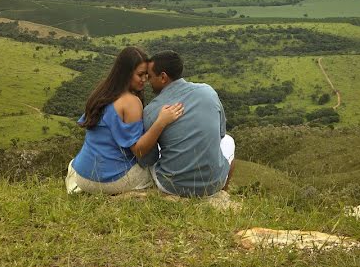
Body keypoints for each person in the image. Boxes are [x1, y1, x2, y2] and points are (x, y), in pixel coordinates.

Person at [65, 46, 184, 195]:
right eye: (140, 74)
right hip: (109, 180)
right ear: (126, 74)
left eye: (147, 75)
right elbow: (139, 150)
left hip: (82, 175)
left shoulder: (101, 93)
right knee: (156, 171)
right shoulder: (131, 102)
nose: (145, 80)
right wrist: (161, 121)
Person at [142, 50, 235, 197]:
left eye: (150, 77)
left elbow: (149, 158)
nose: (148, 81)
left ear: (163, 77)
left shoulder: (151, 110)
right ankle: (222, 193)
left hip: (171, 186)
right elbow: (221, 134)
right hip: (213, 185)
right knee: (229, 141)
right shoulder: (208, 91)